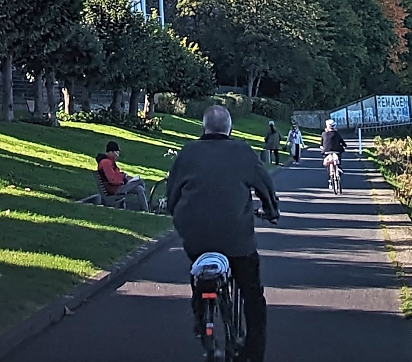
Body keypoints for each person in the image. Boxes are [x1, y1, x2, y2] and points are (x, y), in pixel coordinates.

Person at [166, 105, 279, 362]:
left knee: (199, 266)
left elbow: (172, 193)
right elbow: (265, 185)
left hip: (195, 236)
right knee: (252, 295)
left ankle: (200, 313)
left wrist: (177, 215)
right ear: (230, 128)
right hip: (237, 240)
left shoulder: (187, 153)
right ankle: (254, 352)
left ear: (203, 127)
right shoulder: (242, 152)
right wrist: (271, 210)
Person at [95, 141, 149, 211]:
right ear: (111, 152)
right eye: (116, 152)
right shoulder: (106, 163)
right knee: (140, 181)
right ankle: (147, 206)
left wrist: (124, 176)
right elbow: (112, 180)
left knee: (139, 189)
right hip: (115, 189)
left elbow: (115, 174)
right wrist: (124, 180)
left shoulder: (109, 162)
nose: (117, 155)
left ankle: (145, 209)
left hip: (116, 187)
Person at [320, 118, 348, 184]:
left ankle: (330, 175)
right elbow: (342, 141)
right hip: (336, 151)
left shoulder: (323, 134)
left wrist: (322, 148)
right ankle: (339, 167)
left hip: (326, 151)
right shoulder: (336, 134)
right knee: (339, 155)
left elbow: (321, 144)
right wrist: (345, 145)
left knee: (327, 162)